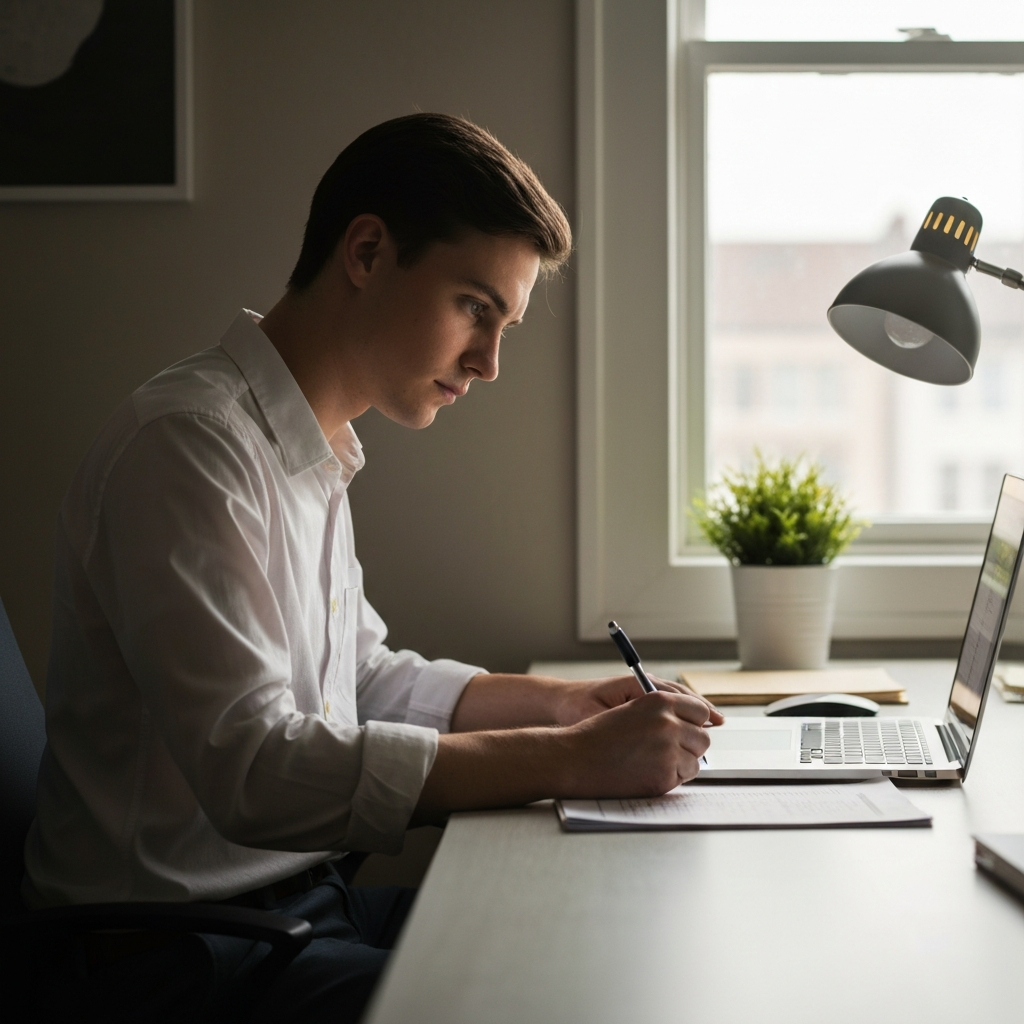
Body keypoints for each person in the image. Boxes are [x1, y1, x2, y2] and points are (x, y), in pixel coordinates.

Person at [24, 113, 722, 1022]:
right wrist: (566, 759)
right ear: (365, 252)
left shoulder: (308, 444)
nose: (490, 362)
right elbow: (256, 771)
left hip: (295, 913)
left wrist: (557, 705)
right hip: (176, 957)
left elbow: (357, 678)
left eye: (502, 323)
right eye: (476, 308)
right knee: (562, 1001)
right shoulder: (190, 446)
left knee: (602, 942)